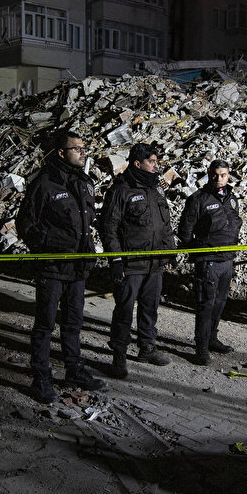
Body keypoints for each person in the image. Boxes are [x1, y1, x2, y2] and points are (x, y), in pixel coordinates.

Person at [15, 131, 105, 404]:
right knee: (45, 325)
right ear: (61, 153)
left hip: (78, 267)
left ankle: (73, 369)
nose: (82, 152)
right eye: (76, 148)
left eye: (83, 147)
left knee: (73, 323)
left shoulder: (84, 183)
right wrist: (48, 247)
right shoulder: (44, 184)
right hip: (53, 266)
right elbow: (25, 225)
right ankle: (40, 377)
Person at [99, 142, 176, 377]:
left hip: (154, 263)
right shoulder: (121, 190)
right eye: (151, 162)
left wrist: (169, 250)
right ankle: (119, 355)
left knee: (149, 307)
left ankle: (147, 347)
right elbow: (108, 228)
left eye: (156, 161)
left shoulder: (155, 189)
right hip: (131, 265)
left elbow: (165, 225)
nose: (156, 166)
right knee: (124, 310)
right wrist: (116, 261)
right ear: (137, 163)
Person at [177, 159, 241, 365]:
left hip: (227, 261)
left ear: (228, 175)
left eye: (223, 175)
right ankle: (201, 347)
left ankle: (212, 338)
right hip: (208, 263)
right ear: (209, 174)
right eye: (215, 174)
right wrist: (199, 249)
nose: (219, 179)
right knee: (206, 305)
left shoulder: (232, 199)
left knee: (220, 303)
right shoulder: (198, 199)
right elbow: (185, 231)